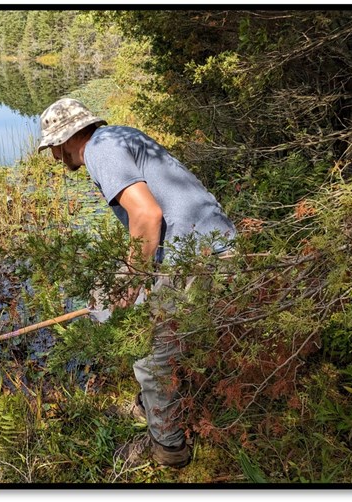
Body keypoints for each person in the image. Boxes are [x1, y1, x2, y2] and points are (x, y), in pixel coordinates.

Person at [37, 97, 236, 469]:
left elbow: (147, 214)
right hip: (210, 245)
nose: (54, 157)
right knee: (159, 331)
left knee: (152, 361)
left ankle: (168, 449)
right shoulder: (118, 136)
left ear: (65, 140)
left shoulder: (99, 149)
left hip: (193, 258)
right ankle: (154, 404)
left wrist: (131, 281)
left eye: (52, 148)